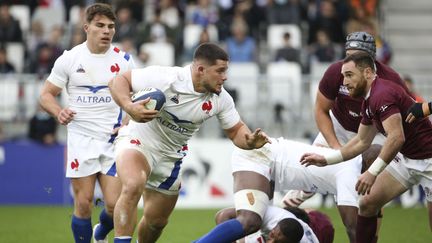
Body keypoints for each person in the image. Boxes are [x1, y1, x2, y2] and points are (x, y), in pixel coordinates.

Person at [108, 42, 269, 243]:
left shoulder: (221, 99)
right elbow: (118, 81)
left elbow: (236, 130)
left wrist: (250, 141)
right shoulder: (168, 78)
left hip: (171, 157)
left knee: (156, 222)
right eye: (220, 71)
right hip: (138, 141)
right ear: (201, 69)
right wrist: (129, 107)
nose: (225, 77)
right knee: (133, 184)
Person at [300, 52, 432, 243]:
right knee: (368, 203)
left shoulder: (381, 94)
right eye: (343, 76)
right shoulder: (369, 100)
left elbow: (396, 138)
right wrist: (327, 159)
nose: (344, 82)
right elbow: (362, 141)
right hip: (405, 159)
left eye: (349, 75)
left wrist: (372, 173)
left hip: (428, 160)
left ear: (368, 73)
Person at [39, 3, 135, 243]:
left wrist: (127, 121)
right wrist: (59, 112)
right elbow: (45, 95)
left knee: (114, 205)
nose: (106, 31)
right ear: (86, 27)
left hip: (114, 139)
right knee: (83, 203)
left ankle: (100, 232)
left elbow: (139, 98)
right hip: (81, 138)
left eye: (111, 26)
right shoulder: (70, 59)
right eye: (100, 25)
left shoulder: (124, 60)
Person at [283, 31, 411, 206]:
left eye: (359, 58)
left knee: (369, 196)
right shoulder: (336, 71)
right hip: (340, 126)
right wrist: (336, 148)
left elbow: (408, 114)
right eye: (349, 56)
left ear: (371, 61)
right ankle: (280, 218)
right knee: (308, 176)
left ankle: (369, 229)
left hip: (375, 130)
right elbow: (321, 110)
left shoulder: (391, 79)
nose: (351, 63)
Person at [195, 138, 382, 243]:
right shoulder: (350, 170)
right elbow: (352, 227)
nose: (381, 174)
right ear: (371, 162)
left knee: (256, 231)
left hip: (270, 168)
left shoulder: (348, 167)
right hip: (260, 158)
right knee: (249, 222)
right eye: (381, 167)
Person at [215, 205, 318, 243]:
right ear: (273, 229)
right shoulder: (267, 216)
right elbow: (223, 215)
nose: (271, 242)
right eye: (272, 236)